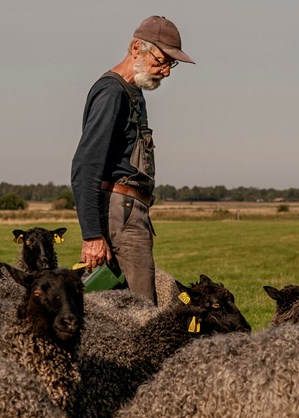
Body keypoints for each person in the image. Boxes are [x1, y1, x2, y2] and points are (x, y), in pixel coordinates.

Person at [70, 15, 194, 304]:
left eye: (170, 64)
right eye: (162, 61)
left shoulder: (133, 91)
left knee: (125, 307)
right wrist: (91, 235)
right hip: (120, 211)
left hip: (129, 211)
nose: (166, 72)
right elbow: (85, 166)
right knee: (140, 310)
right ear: (137, 47)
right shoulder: (112, 92)